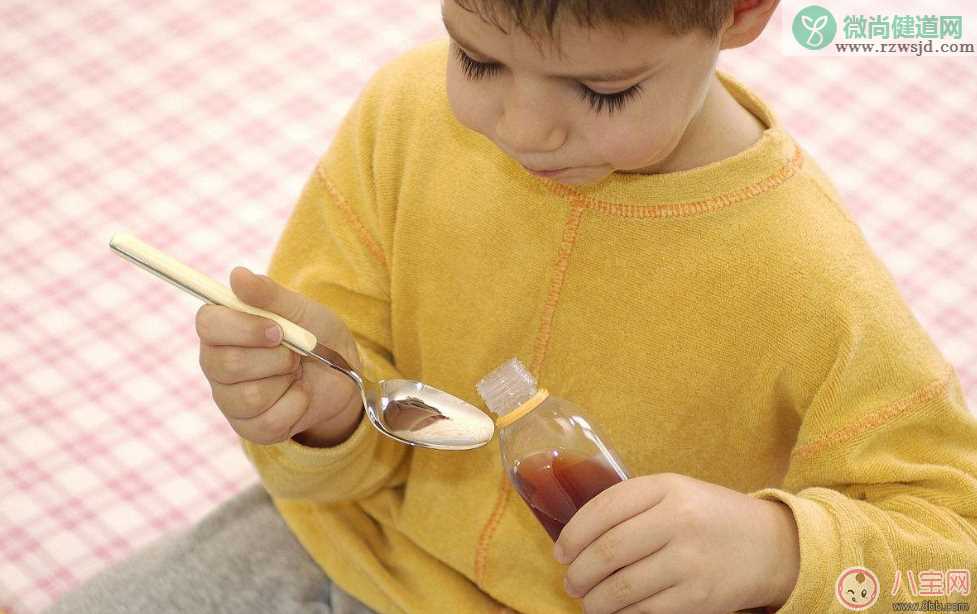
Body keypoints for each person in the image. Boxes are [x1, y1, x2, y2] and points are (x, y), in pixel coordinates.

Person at [49, 0, 977, 612]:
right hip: (349, 560)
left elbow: (951, 565)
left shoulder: (812, 282)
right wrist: (326, 415)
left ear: (738, 13)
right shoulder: (407, 116)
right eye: (478, 59)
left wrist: (781, 550)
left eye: (602, 90)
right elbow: (341, 449)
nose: (521, 131)